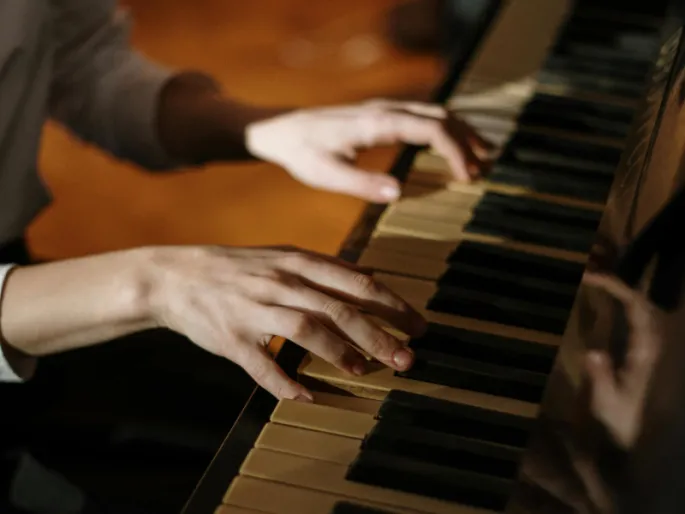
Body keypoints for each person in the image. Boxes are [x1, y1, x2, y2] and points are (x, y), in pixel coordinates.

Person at [0, 1, 490, 512]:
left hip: (33, 307)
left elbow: (88, 69)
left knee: (358, 431)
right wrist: (155, 284)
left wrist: (266, 128)